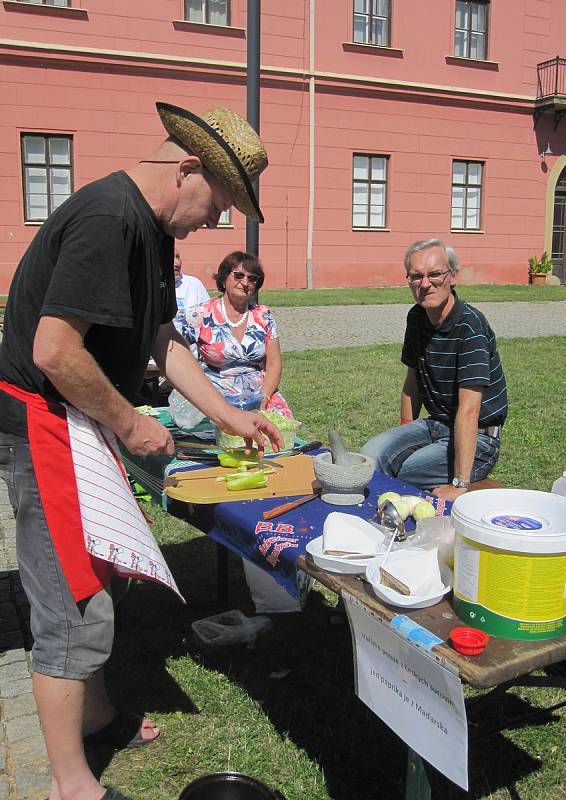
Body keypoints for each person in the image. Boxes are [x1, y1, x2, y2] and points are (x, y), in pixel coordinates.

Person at [0, 101, 282, 800]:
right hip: (45, 423)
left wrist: (231, 415)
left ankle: (94, 715)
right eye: (219, 204)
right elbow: (54, 350)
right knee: (72, 600)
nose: (217, 223)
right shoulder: (110, 218)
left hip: (79, 420)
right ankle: (73, 786)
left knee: (101, 572)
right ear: (186, 168)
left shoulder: (151, 232)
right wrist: (129, 424)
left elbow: (163, 340)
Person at [361, 238, 508, 502]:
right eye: (417, 276)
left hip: (481, 440)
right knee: (370, 455)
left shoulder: (469, 327)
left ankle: (387, 517)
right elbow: (412, 385)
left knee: (406, 471)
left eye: (435, 274)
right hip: (435, 425)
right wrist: (404, 433)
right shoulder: (416, 317)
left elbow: (470, 409)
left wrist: (460, 484)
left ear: (452, 276)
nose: (425, 283)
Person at [194, 251, 293, 417]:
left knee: (280, 433)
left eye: (252, 278)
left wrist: (262, 399)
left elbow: (274, 365)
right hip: (217, 396)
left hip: (260, 394)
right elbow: (172, 345)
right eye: (238, 275)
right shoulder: (202, 314)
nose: (245, 282)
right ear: (224, 279)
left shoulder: (263, 315)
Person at [173, 248, 210, 357]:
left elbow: (209, 319)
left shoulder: (193, 284)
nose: (176, 263)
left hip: (191, 356)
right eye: (171, 257)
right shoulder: (149, 286)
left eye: (177, 257)